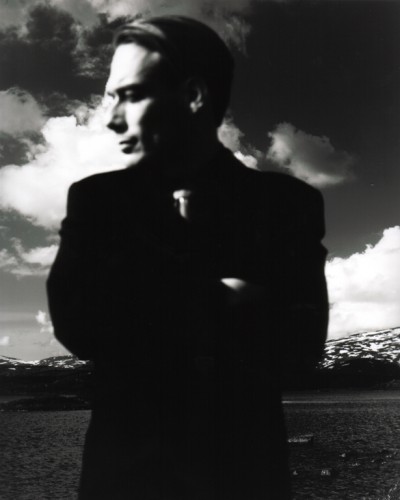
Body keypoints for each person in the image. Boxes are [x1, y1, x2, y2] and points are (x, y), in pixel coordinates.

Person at [47, 15, 328, 500]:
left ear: (194, 95)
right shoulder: (95, 201)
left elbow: (301, 345)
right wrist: (226, 296)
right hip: (124, 481)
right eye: (110, 98)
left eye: (129, 95)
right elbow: (77, 326)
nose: (112, 119)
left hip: (244, 478)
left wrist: (142, 300)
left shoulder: (287, 204)